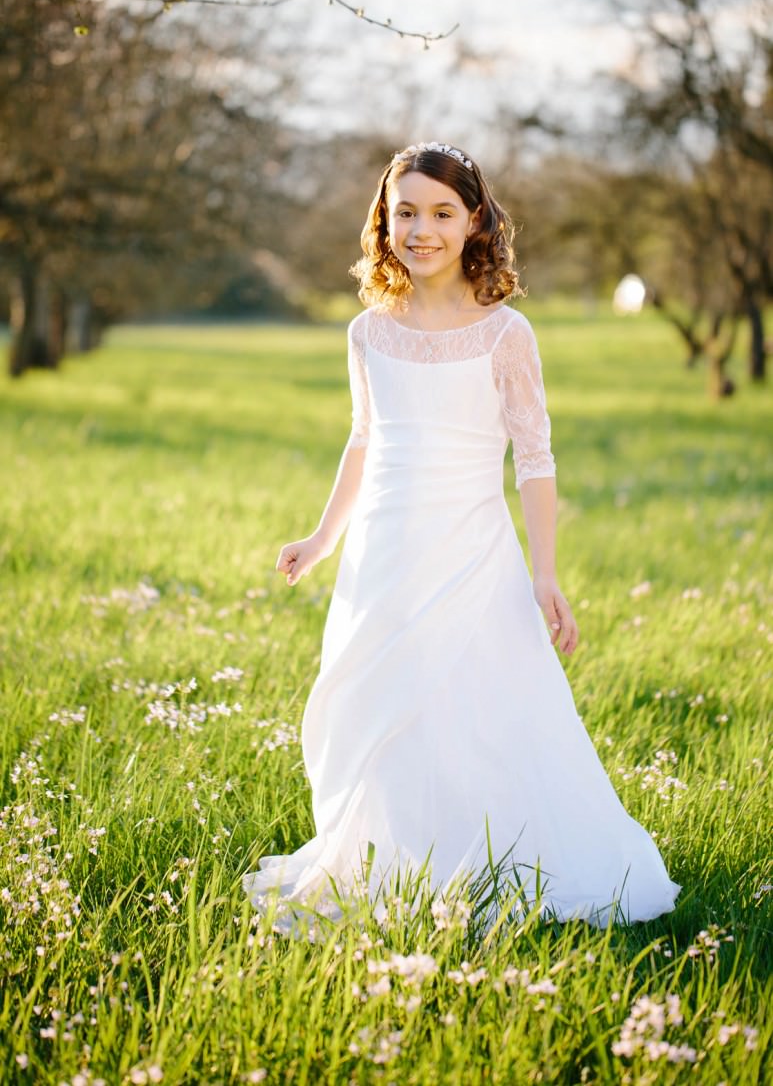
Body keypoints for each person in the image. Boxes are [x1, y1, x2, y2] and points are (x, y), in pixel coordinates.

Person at [242, 141, 680, 935]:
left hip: (471, 551)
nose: (422, 230)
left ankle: (482, 859)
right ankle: (389, 859)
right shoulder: (367, 333)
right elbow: (364, 440)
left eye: (442, 213)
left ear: (474, 221)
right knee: (375, 706)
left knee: (476, 708)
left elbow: (534, 459)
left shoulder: (504, 334)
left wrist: (545, 573)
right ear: (384, 221)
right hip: (382, 555)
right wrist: (323, 536)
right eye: (405, 212)